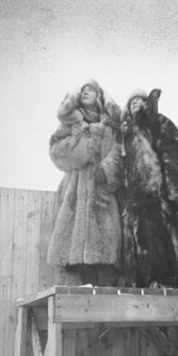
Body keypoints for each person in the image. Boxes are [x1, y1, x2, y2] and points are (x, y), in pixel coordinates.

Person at [47, 79, 124, 286]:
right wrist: (85, 148)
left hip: (103, 195)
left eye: (91, 90)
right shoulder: (70, 124)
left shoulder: (111, 127)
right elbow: (56, 152)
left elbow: (120, 155)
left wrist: (106, 170)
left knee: (108, 253)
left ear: (99, 97)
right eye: (83, 90)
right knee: (80, 259)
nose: (86, 92)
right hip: (75, 196)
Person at [121, 89, 178, 288]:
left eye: (139, 99)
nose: (135, 102)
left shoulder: (159, 122)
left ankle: (171, 288)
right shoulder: (126, 133)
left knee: (166, 246)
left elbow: (174, 152)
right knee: (141, 248)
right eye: (131, 101)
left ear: (146, 103)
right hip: (135, 201)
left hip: (159, 196)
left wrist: (174, 191)